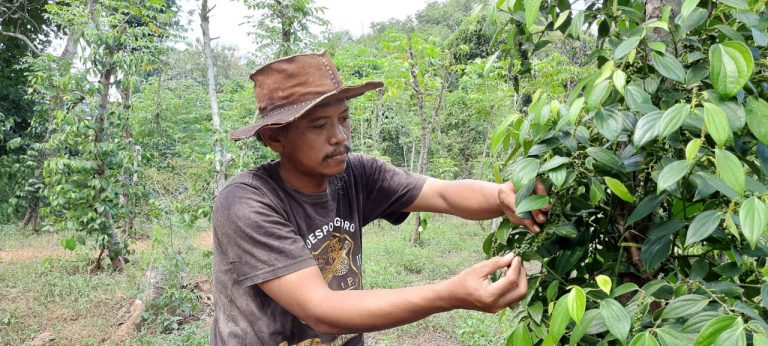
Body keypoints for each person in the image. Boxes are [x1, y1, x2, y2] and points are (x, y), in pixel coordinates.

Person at [211, 51, 549, 345]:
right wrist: (451, 294)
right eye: (318, 126)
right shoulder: (247, 202)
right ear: (274, 138)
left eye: (343, 118)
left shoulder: (357, 175)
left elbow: (444, 194)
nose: (339, 136)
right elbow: (321, 310)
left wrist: (503, 193)